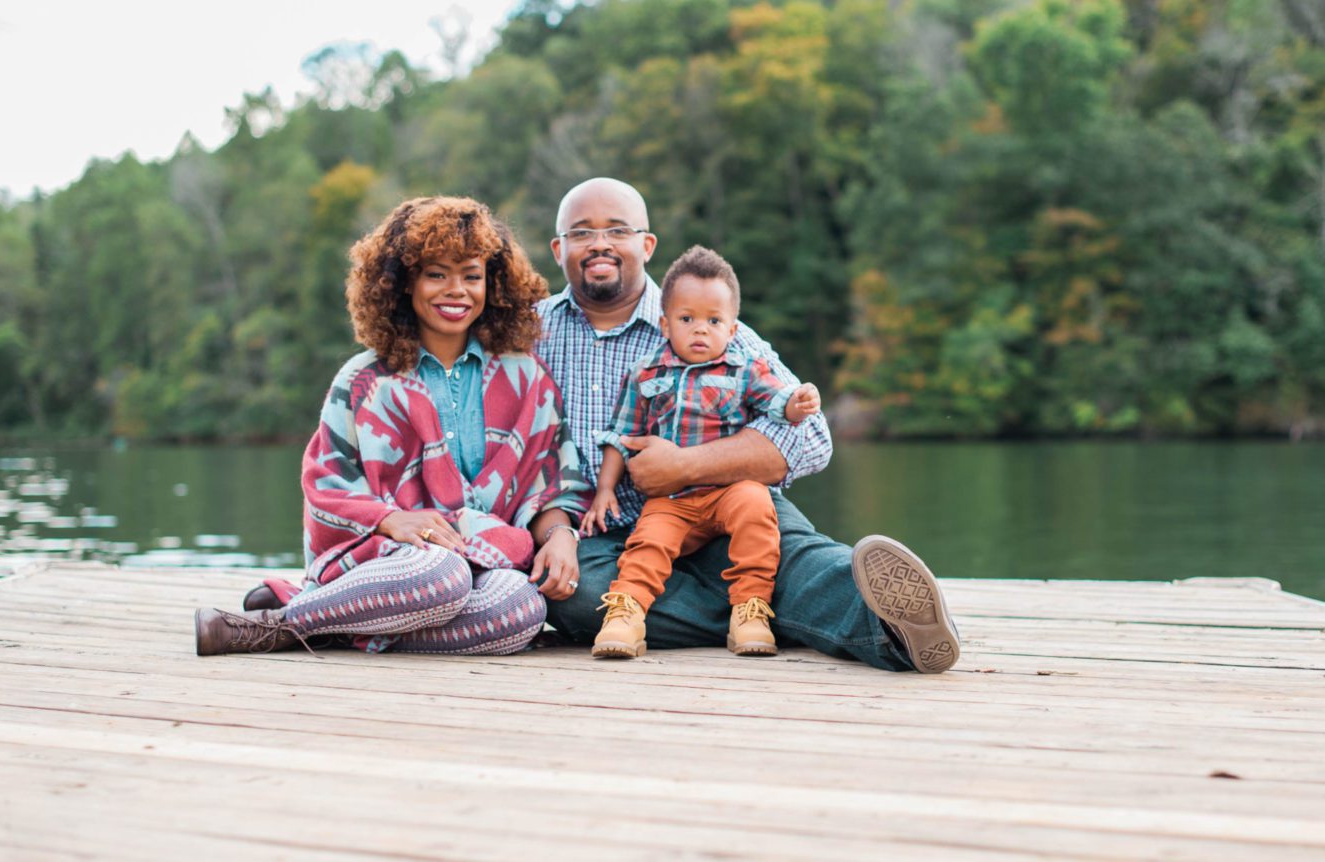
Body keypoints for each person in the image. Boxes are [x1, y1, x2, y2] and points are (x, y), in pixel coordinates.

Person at [535, 178, 960, 673]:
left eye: (617, 230)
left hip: (728, 506)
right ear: (558, 247)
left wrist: (685, 465)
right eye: (582, 233)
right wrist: (557, 529)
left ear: (646, 244)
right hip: (603, 537)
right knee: (575, 596)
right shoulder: (527, 334)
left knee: (792, 557)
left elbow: (813, 437)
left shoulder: (710, 324)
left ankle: (894, 634)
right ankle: (760, 613)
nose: (600, 244)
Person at [194, 196, 589, 656]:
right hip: (388, 559)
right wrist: (392, 520)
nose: (456, 290)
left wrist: (562, 536)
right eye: (436, 273)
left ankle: (328, 621)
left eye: (471, 275)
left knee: (521, 610)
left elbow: (552, 484)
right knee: (442, 572)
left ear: (494, 284)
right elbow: (326, 486)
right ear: (403, 283)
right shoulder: (363, 381)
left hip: (487, 555)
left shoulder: (526, 379)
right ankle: (272, 626)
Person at [583, 246, 821, 659]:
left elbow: (777, 401)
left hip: (728, 489)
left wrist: (797, 402)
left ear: (731, 330)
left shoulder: (745, 368)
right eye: (687, 319)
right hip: (671, 500)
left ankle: (750, 611)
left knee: (757, 510)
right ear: (665, 324)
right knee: (647, 543)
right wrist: (605, 489)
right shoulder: (645, 374)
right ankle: (626, 614)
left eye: (713, 321)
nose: (700, 330)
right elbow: (620, 436)